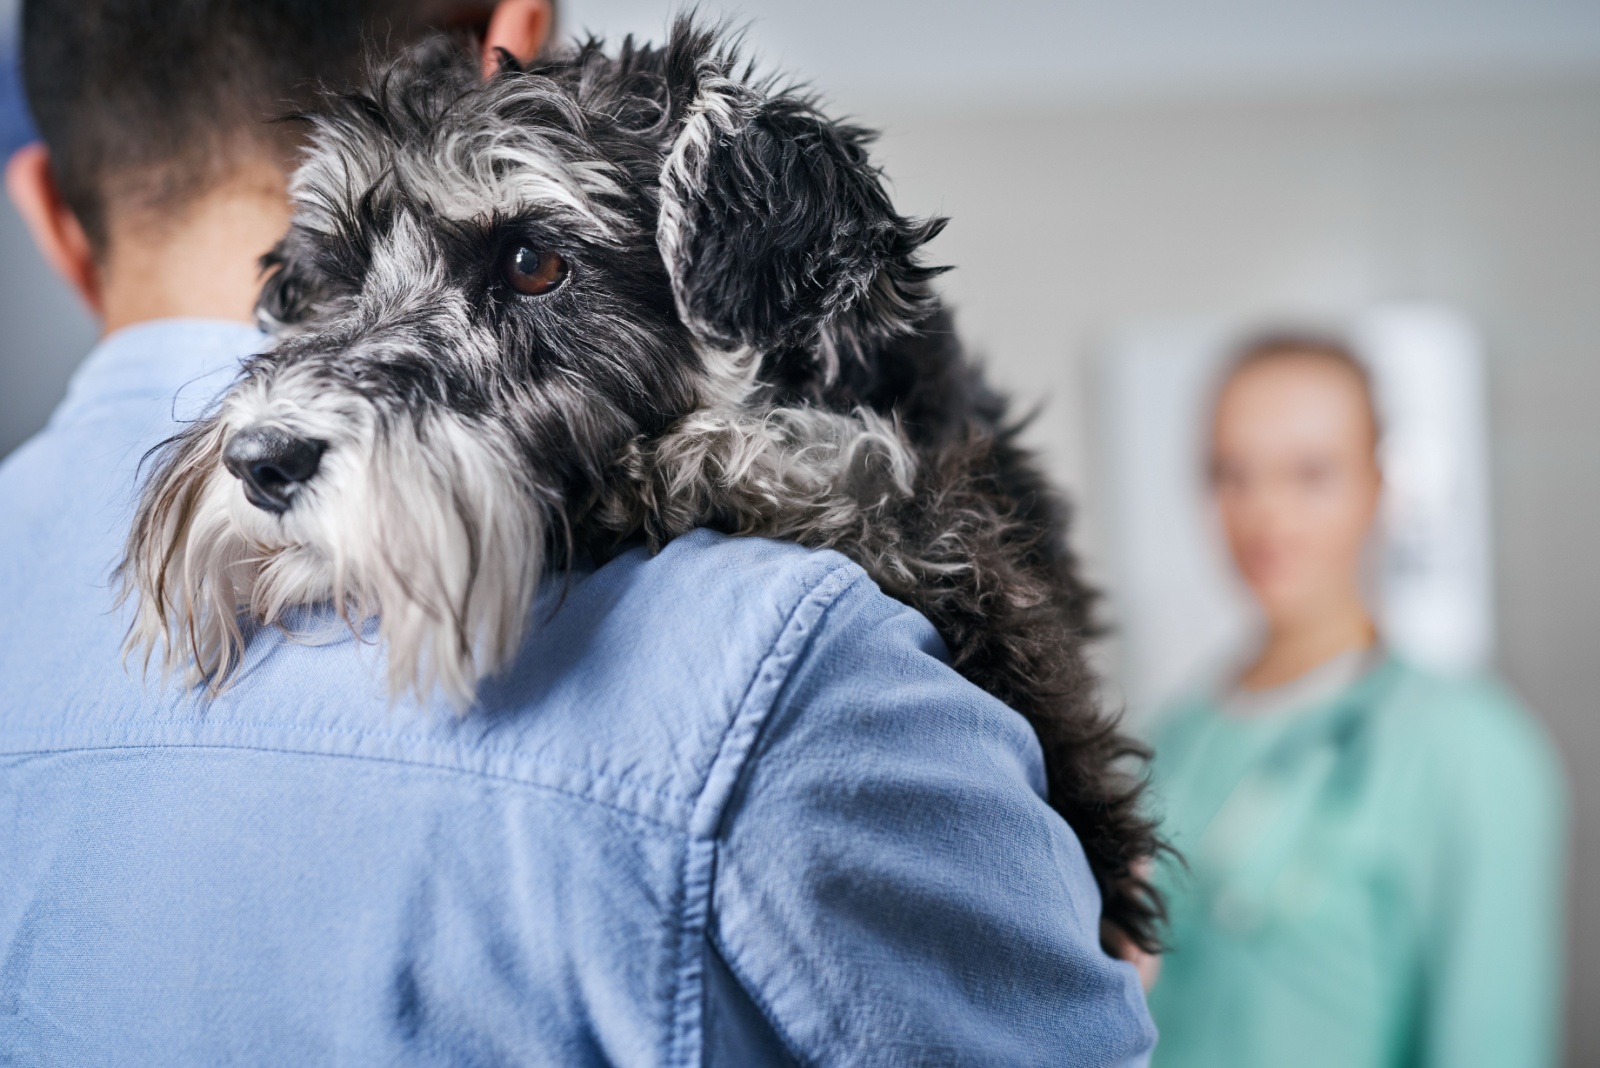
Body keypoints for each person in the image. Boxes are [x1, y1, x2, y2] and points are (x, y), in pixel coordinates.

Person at [0, 1, 1156, 1063]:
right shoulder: (791, 667)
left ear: (47, 209)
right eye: (337, 281)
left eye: (531, 265)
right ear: (520, 27)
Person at [1144, 335, 1567, 1067]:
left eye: (1310, 473)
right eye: (1232, 473)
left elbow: (1491, 1042)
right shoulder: (1171, 741)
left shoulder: (1473, 749)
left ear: (1380, 485)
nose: (1265, 511)